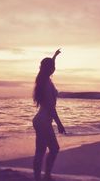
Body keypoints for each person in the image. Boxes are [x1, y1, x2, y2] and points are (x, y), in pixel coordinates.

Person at [32, 49, 66, 181]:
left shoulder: (43, 79)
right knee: (54, 148)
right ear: (49, 69)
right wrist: (59, 124)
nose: (55, 68)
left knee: (40, 151)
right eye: (53, 67)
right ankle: (46, 176)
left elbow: (49, 64)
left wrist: (55, 56)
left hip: (40, 121)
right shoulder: (46, 83)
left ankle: (40, 177)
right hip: (43, 122)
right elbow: (51, 108)